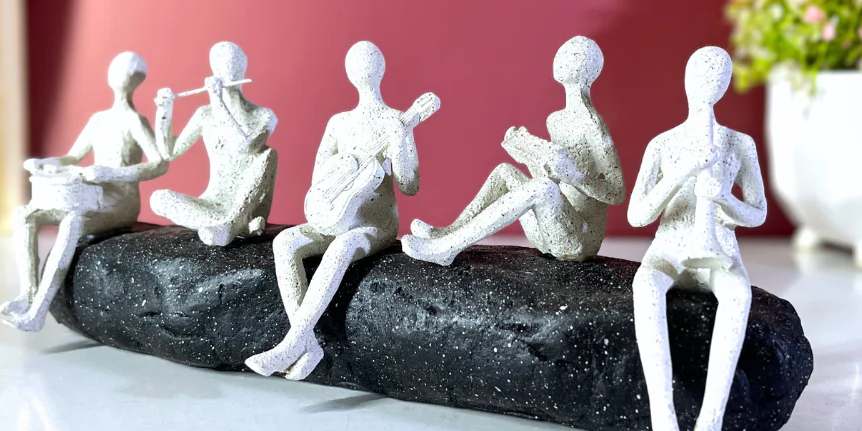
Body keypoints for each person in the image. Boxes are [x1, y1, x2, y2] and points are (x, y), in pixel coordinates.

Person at [245, 41, 438, 381]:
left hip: (374, 222)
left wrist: (400, 140)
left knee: (342, 246)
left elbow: (409, 185)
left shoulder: (396, 120)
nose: (364, 69)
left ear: (381, 69)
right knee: (285, 242)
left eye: (369, 63)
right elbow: (318, 176)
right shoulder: (338, 123)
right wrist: (343, 165)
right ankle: (306, 344)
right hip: (335, 214)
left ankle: (292, 343)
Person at [627, 46, 767, 431]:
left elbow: (757, 213)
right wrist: (681, 174)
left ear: (725, 87)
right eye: (702, 75)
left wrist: (724, 197)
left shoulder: (739, 144)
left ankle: (709, 424)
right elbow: (637, 215)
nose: (708, 84)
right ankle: (664, 422)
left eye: (718, 78)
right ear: (686, 80)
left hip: (718, 249)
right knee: (645, 286)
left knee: (739, 295)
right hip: (669, 246)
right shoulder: (662, 144)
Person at [402, 36, 623, 266]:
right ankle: (448, 233)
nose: (561, 58)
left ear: (590, 68)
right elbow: (552, 177)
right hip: (550, 229)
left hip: (579, 240)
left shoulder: (592, 124)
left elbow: (616, 192)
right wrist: (528, 155)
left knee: (543, 188)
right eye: (563, 53)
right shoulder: (556, 120)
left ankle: (446, 249)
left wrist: (575, 176)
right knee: (505, 171)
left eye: (573, 54)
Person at [0, 51, 167, 332]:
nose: (122, 76)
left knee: (73, 222)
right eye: (119, 70)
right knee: (24, 215)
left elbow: (159, 164)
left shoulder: (135, 121)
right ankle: (28, 293)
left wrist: (111, 173)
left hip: (120, 202)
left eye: (128, 72)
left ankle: (38, 312)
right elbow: (72, 156)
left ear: (137, 80)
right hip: (93, 194)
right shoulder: (99, 120)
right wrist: (46, 163)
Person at [150, 42, 277, 245]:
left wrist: (217, 100)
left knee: (268, 154)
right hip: (210, 202)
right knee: (159, 198)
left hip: (243, 205)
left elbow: (245, 147)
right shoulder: (205, 114)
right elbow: (169, 153)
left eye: (231, 63)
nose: (224, 69)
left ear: (242, 67)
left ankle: (234, 222)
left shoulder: (264, 115)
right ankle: (234, 226)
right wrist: (164, 110)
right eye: (218, 64)